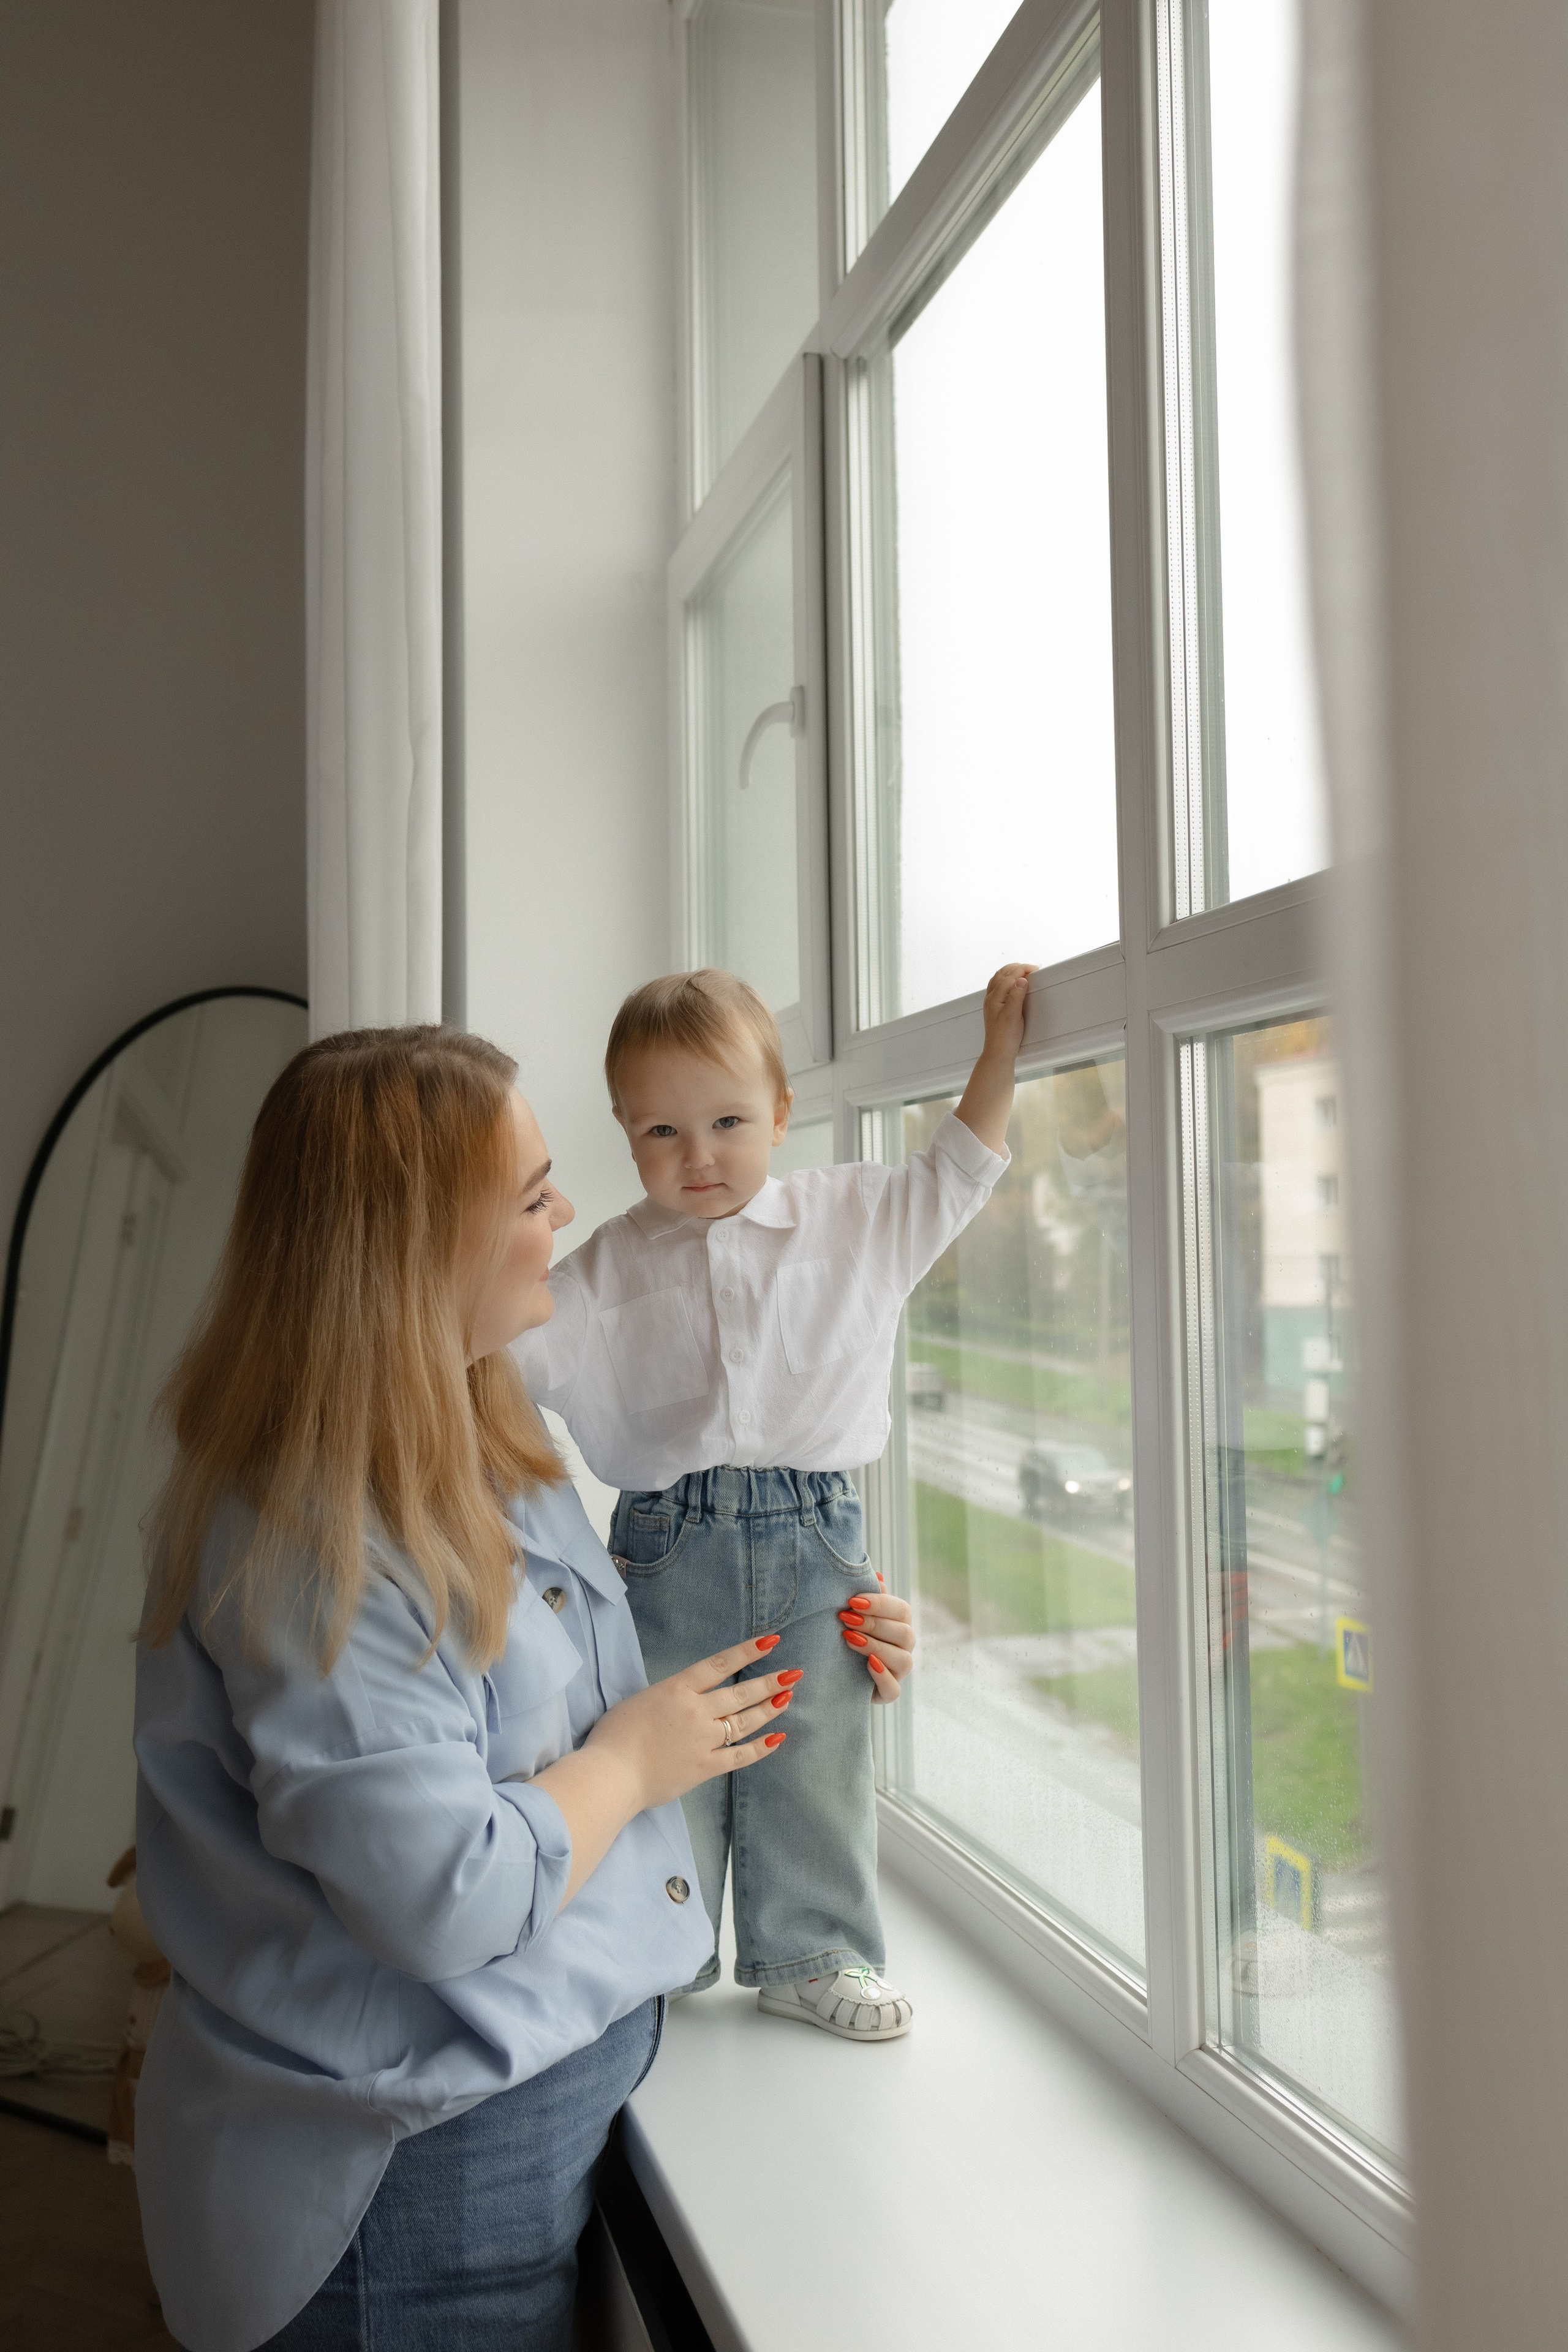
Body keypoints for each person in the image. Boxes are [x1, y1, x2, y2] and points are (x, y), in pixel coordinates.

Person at [132, 1028, 792, 2352]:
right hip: (408, 2188)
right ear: (418, 1243)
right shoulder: (312, 1539)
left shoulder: (481, 1429)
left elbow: (568, 1675)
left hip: (511, 2125)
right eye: (533, 1193)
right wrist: (630, 1766)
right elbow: (447, 1896)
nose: (563, 1217)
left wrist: (834, 1626)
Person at [512, 962, 1035, 2042]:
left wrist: (998, 1058)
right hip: (664, 1545)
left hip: (817, 1529)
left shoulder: (852, 1216)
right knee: (669, 1752)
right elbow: (503, 1353)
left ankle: (817, 1949)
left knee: (819, 1741)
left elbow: (958, 1172)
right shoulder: (606, 1265)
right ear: (622, 1131)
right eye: (660, 1133)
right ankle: (660, 1948)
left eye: (727, 1121)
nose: (696, 1156)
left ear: (783, 1113)